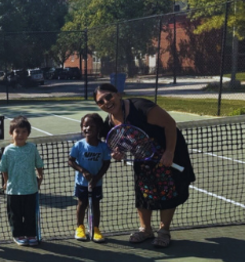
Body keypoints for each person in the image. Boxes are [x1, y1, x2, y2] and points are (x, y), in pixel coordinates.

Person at [94, 83, 196, 248]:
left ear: (118, 94)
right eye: (100, 101)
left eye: (109, 96)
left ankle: (164, 231)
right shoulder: (111, 122)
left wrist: (169, 152)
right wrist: (119, 154)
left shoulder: (140, 107)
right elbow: (123, 145)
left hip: (169, 149)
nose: (106, 102)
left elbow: (170, 124)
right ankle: (145, 229)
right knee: (143, 191)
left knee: (167, 191)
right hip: (144, 157)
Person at [0, 116, 45, 246]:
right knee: (15, 216)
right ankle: (18, 235)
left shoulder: (31, 148)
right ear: (11, 133)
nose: (20, 135)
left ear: (28, 134)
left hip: (30, 189)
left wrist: (40, 177)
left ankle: (31, 234)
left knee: (30, 214)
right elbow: (4, 168)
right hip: (13, 190)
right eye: (17, 131)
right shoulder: (8, 150)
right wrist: (6, 182)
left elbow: (39, 164)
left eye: (24, 132)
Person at [68, 113, 111, 242]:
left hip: (96, 183)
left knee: (95, 205)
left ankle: (95, 229)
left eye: (92, 125)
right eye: (85, 125)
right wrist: (83, 171)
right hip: (81, 183)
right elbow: (71, 161)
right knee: (82, 204)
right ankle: (80, 227)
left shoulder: (103, 147)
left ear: (98, 128)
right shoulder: (79, 145)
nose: (88, 128)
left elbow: (106, 163)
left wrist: (97, 178)